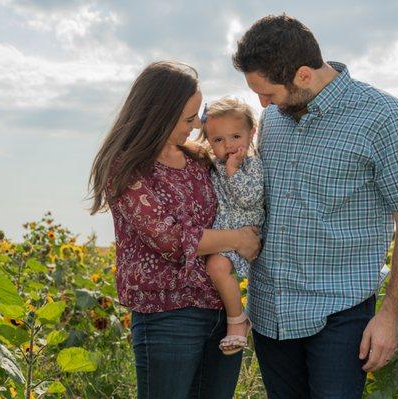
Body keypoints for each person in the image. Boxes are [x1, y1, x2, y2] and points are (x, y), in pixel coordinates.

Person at [232, 15, 398, 398]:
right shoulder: (274, 116)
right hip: (270, 313)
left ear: (304, 75)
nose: (261, 104)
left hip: (339, 316)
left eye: (268, 93)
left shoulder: (384, 118)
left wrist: (390, 314)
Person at [88, 61, 261, 399]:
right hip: (167, 314)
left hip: (220, 310)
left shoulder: (197, 158)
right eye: (187, 119)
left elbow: (233, 199)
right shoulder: (126, 167)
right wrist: (240, 238)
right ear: (159, 115)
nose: (196, 125)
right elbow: (169, 238)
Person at [198, 97, 265, 355]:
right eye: (218, 140)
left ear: (252, 134)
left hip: (245, 232)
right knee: (216, 267)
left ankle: (237, 321)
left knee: (216, 265)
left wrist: (234, 170)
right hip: (226, 232)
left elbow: (250, 198)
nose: (228, 146)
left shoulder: (251, 164)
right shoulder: (216, 164)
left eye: (236, 136)